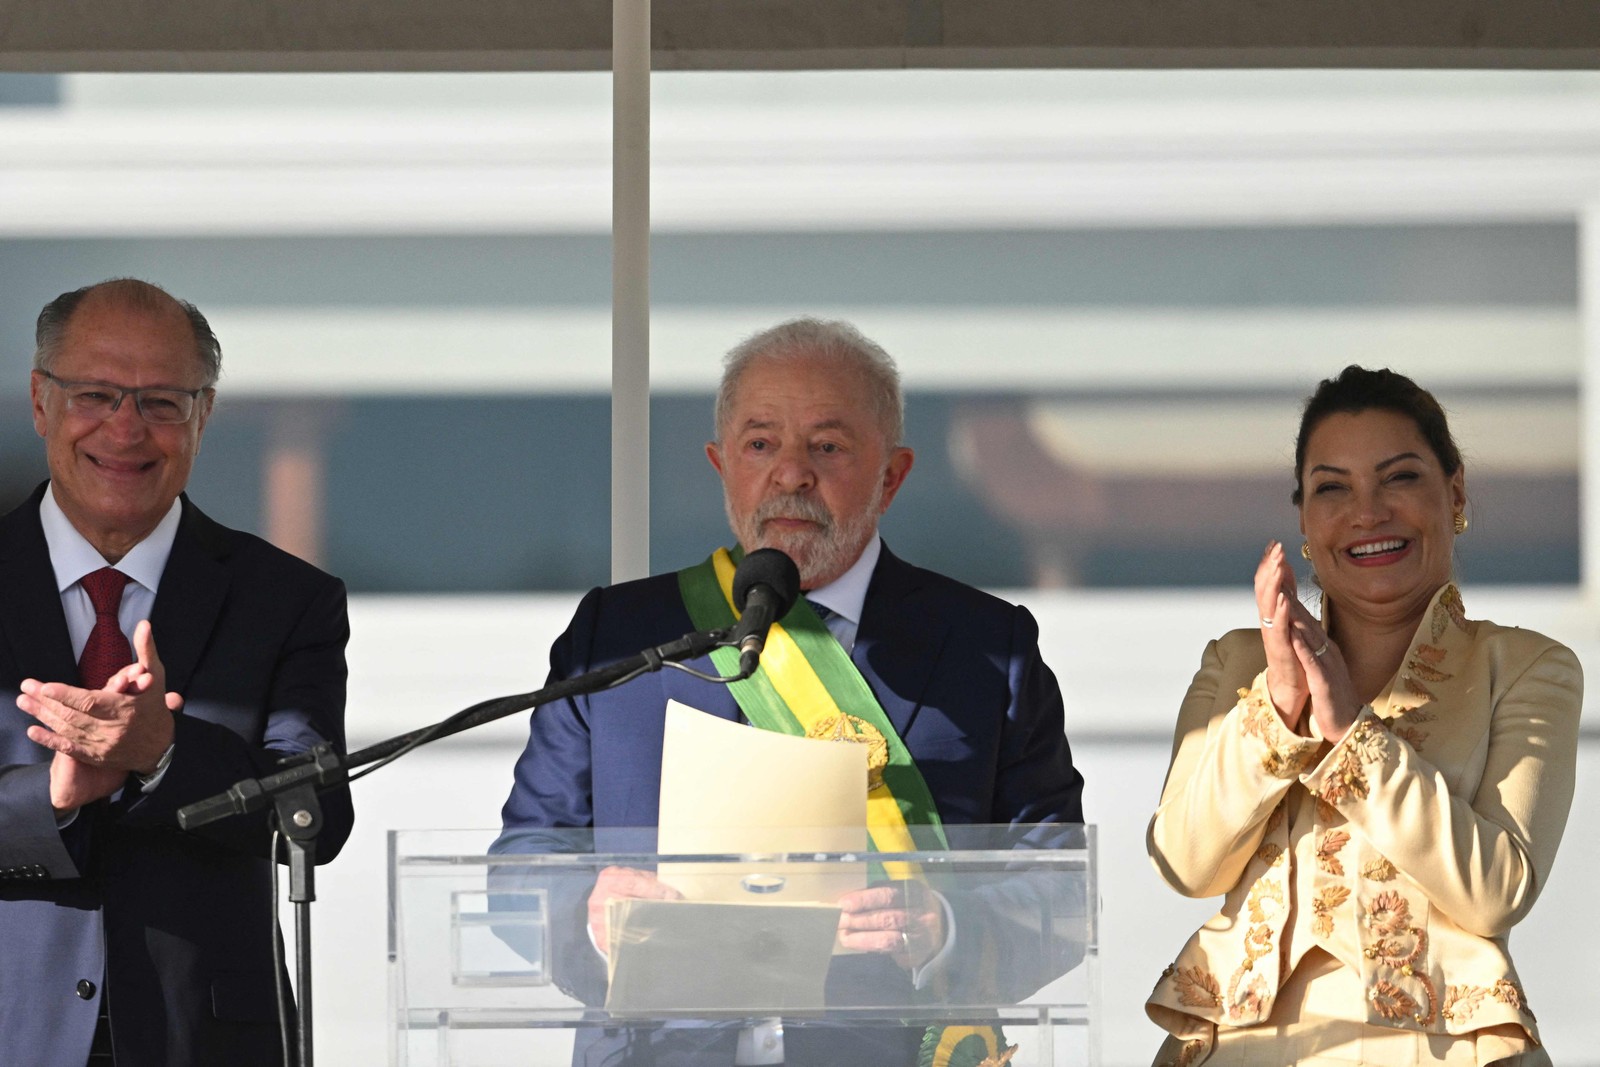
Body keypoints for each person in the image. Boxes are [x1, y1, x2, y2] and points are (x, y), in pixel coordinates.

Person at [493, 317, 1085, 1066]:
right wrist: (586, 913)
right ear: (721, 464)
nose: (792, 473)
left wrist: (944, 926)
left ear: (892, 474)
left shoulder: (983, 647)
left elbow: (1059, 885)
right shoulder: (619, 638)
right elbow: (520, 861)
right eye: (761, 443)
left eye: (828, 447)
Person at [1145, 366, 1581, 1066]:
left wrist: (1354, 733)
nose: (1367, 511)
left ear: (1456, 492)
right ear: (1305, 521)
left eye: (1400, 478)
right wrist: (1281, 710)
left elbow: (1495, 889)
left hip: (1445, 1048)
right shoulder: (1238, 664)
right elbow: (1184, 860)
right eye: (1332, 487)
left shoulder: (1525, 665)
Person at [0, 279, 354, 1067]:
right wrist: (47, 799)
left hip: (206, 1038)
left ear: (204, 414)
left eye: (161, 402)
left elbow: (316, 810)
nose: (125, 428)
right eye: (95, 393)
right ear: (40, 401)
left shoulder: (289, 598)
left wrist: (165, 753)